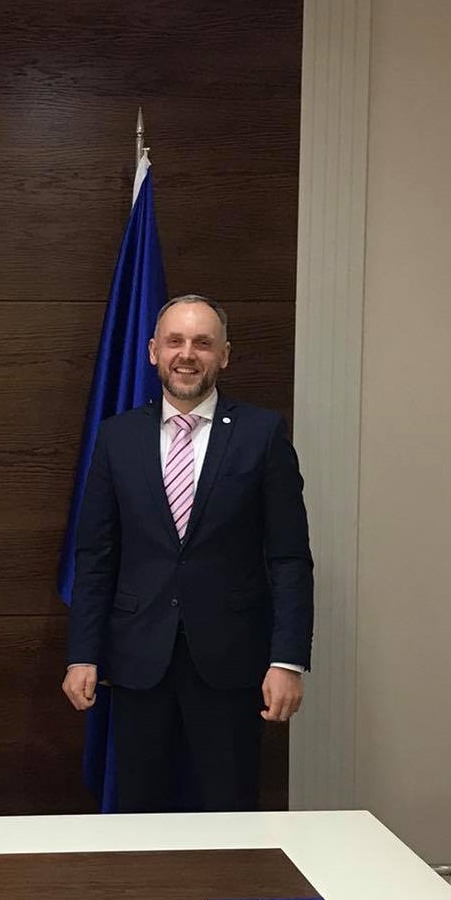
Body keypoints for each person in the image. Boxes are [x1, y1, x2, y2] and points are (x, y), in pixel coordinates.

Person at [62, 294, 313, 812]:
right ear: (153, 351)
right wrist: (83, 653)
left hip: (232, 664)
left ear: (225, 355)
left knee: (230, 815)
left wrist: (286, 660)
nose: (187, 354)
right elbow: (96, 556)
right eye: (175, 341)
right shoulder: (117, 437)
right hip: (136, 663)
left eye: (202, 343)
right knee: (140, 817)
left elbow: (289, 558)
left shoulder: (262, 434)